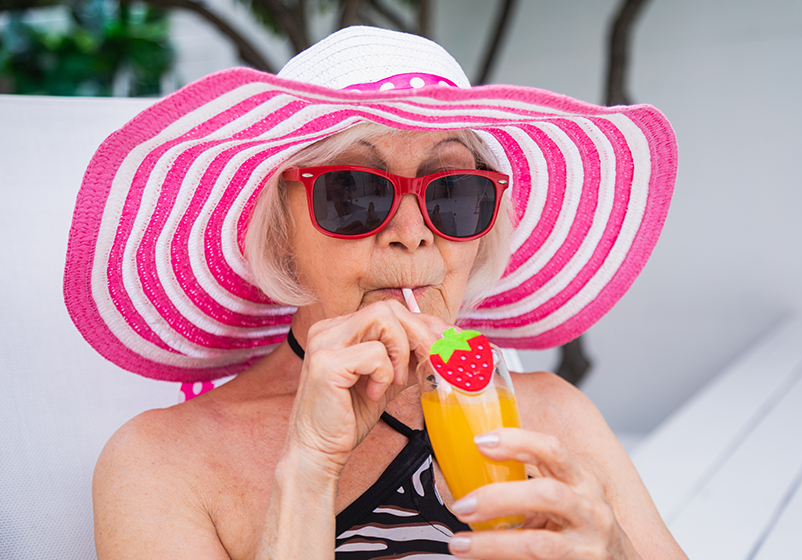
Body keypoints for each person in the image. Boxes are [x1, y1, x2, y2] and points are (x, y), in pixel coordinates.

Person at [64, 26, 683, 559]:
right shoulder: (164, 462)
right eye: (353, 192)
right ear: (282, 235)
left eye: (453, 194)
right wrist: (306, 472)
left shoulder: (555, 418)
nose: (411, 236)